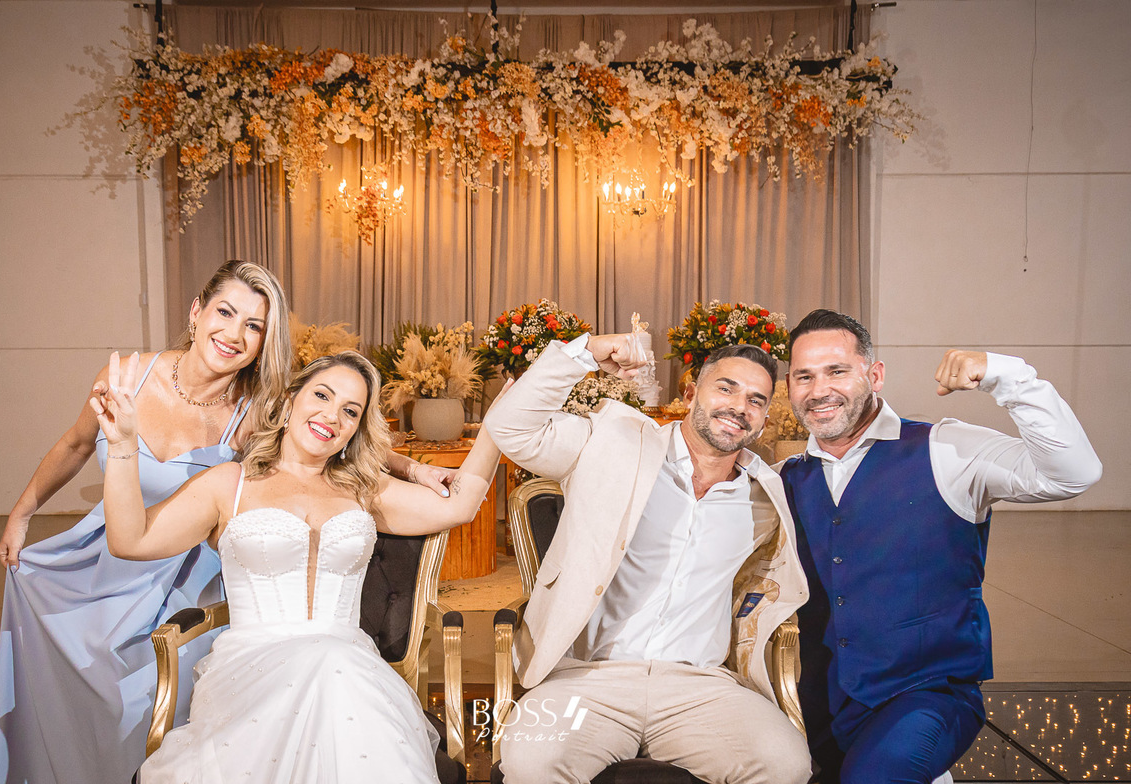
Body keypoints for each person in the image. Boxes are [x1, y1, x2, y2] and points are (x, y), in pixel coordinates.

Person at [0, 260, 451, 784]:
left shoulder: (256, 407)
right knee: (81, 690)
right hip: (116, 552)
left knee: (174, 710)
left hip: (187, 578)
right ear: (196, 311)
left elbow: (334, 430)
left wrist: (413, 468)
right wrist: (22, 512)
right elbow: (74, 444)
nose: (234, 334)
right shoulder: (128, 378)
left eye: (254, 326)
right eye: (225, 313)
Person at [95, 350, 503, 782]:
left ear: (356, 430)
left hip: (349, 668)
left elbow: (460, 505)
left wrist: (500, 424)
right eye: (322, 395)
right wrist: (122, 446)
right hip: (252, 670)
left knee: (335, 667)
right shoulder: (229, 485)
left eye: (350, 411)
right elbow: (130, 540)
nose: (332, 416)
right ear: (290, 401)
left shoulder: (364, 490)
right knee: (331, 666)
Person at [778, 309, 1103, 784]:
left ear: (875, 375)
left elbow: (1073, 474)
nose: (818, 389)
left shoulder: (945, 449)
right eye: (804, 376)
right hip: (818, 706)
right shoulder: (784, 478)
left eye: (837, 371)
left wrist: (1007, 377)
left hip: (925, 696)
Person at [485, 333, 811, 784]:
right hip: (586, 679)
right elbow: (510, 427)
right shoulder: (613, 443)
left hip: (699, 687)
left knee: (784, 766)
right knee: (532, 763)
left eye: (756, 399)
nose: (740, 406)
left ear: (765, 417)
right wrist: (587, 352)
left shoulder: (765, 497)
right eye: (726, 388)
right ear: (690, 392)